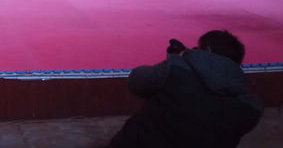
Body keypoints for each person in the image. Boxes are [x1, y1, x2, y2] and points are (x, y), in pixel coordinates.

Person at [107, 30, 263, 148]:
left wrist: (178, 60)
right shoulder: (252, 106)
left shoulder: (176, 69)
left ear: (207, 50)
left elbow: (137, 81)